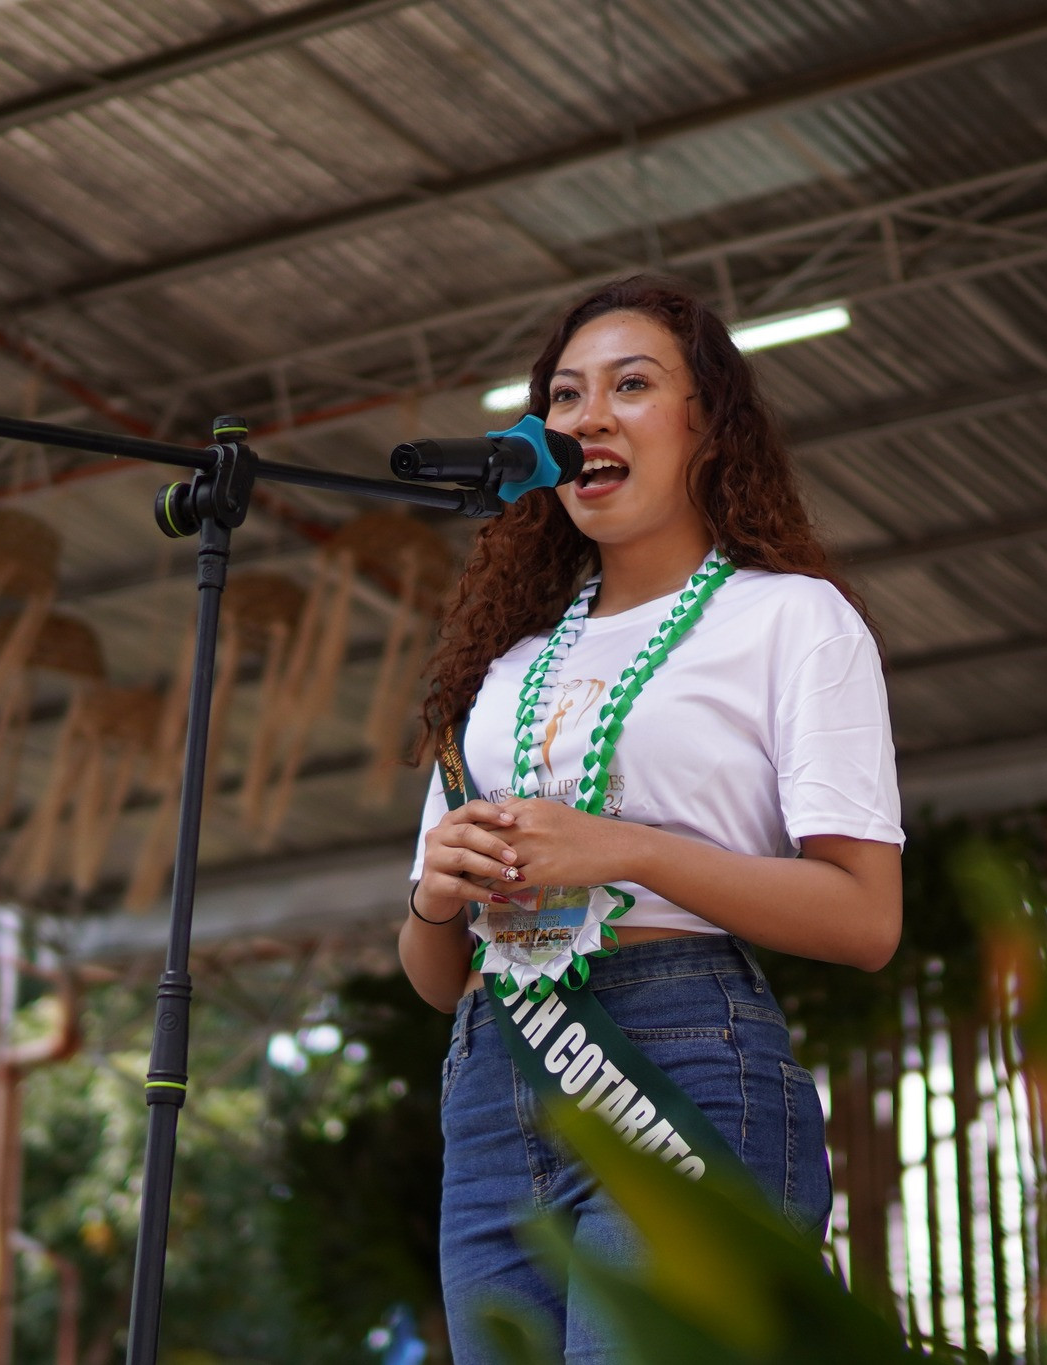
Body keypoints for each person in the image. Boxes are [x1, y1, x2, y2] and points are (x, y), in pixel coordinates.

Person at [399, 274, 904, 1363]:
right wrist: (436, 897)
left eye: (630, 385)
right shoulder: (503, 667)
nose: (588, 418)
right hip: (493, 1075)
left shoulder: (790, 618)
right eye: (566, 397)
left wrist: (624, 849)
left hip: (682, 1055)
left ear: (705, 423)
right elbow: (436, 978)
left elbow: (866, 920)